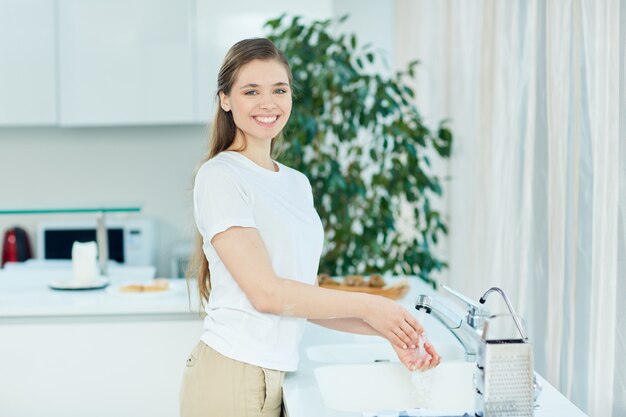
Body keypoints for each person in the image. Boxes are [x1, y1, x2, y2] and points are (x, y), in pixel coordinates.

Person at [180, 38, 440, 417]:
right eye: (251, 91)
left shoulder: (295, 183)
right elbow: (267, 294)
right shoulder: (220, 176)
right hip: (230, 374)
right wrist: (372, 305)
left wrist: (390, 331)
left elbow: (304, 299)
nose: (268, 103)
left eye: (279, 90)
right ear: (225, 99)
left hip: (272, 375)